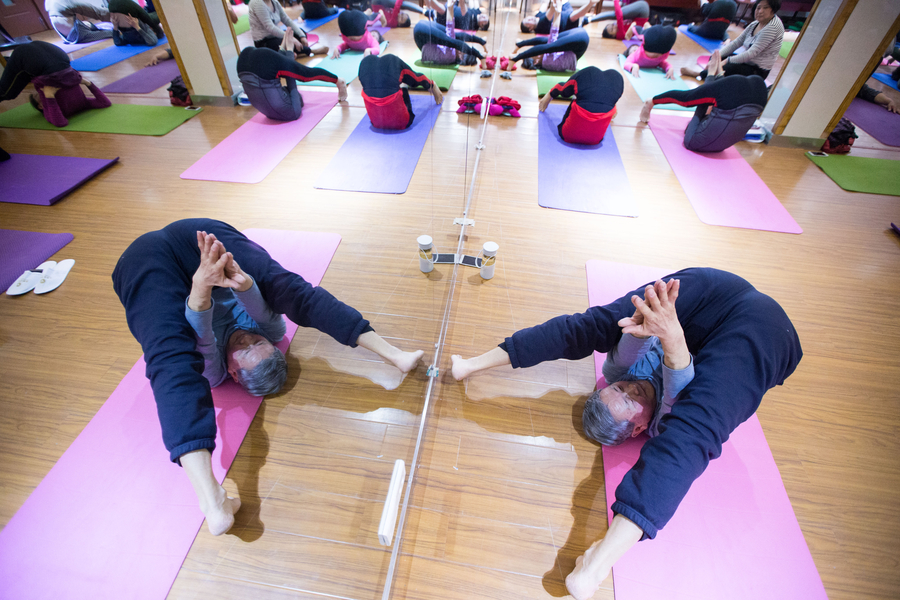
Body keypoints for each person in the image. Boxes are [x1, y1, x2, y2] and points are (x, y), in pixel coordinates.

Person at [449, 267, 802, 600]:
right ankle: (597, 563)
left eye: (619, 388)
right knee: (699, 423)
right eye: (631, 400)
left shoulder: (619, 373)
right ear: (639, 428)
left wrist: (638, 329)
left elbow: (611, 338)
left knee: (601, 324)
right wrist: (671, 337)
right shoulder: (663, 421)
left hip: (714, 292)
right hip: (766, 329)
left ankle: (471, 364)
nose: (631, 388)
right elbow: (683, 405)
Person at [112, 219, 426, 536]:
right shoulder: (272, 332)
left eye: (245, 349)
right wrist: (241, 279)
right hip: (200, 241)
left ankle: (211, 499)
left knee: (170, 357)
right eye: (258, 342)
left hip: (145, 262)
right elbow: (269, 301)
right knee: (286, 288)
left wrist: (202, 287)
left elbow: (197, 333)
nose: (247, 339)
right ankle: (395, 355)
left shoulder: (215, 373)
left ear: (234, 373)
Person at [640, 51, 768, 152]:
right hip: (724, 145)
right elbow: (723, 91)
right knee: (712, 98)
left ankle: (650, 102)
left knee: (702, 99)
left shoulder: (728, 88)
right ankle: (714, 77)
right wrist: (718, 74)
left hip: (698, 142)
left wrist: (711, 75)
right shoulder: (759, 85)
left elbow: (686, 99)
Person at [237, 33, 348, 122]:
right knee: (292, 76)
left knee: (282, 75)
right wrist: (289, 52)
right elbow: (306, 75)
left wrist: (284, 48)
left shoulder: (253, 57)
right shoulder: (292, 110)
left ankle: (286, 52)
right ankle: (340, 81)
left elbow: (276, 62)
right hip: (285, 111)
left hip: (265, 111)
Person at [0, 40, 111, 127]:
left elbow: (59, 122)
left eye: (37, 94)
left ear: (41, 106)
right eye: (37, 94)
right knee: (10, 92)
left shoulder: (49, 112)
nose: (37, 91)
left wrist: (49, 96)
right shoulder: (83, 104)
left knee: (6, 93)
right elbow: (105, 103)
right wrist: (88, 83)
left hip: (35, 60)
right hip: (60, 59)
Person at [681, 0, 783, 80]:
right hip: (748, 62)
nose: (760, 11)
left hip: (757, 70)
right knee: (716, 57)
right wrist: (718, 55)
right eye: (758, 7)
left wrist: (726, 61)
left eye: (765, 8)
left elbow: (751, 54)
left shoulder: (772, 27)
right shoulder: (755, 24)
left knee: (727, 67)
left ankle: (700, 74)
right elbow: (737, 43)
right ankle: (711, 74)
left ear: (773, 10)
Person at [538, 66, 623, 145]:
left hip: (567, 135)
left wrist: (550, 94)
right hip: (596, 139)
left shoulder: (587, 73)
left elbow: (564, 90)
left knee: (576, 95)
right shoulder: (618, 79)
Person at [358, 53, 443, 129]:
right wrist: (431, 85)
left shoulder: (364, 64)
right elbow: (417, 79)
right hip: (403, 123)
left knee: (372, 89)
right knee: (403, 84)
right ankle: (403, 84)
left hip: (376, 123)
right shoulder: (393, 61)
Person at [249, 0, 327, 57]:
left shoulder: (274, 2)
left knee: (300, 33)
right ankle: (311, 51)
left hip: (275, 36)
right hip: (264, 41)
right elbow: (270, 28)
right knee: (285, 43)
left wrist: (302, 35)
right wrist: (291, 39)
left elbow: (287, 20)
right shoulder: (257, 3)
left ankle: (290, 54)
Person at [506, 27, 589, 72]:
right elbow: (548, 47)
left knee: (548, 41)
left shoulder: (547, 59)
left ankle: (521, 44)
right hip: (580, 42)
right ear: (536, 62)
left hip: (579, 34)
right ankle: (516, 58)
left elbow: (552, 37)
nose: (539, 53)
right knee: (549, 47)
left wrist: (557, 13)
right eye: (535, 55)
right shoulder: (548, 62)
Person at [413, 20, 486, 65]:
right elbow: (457, 35)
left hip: (420, 35)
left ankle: (480, 48)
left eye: (463, 53)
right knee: (454, 37)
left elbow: (455, 43)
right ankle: (482, 41)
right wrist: (480, 41)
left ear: (461, 58)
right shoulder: (451, 53)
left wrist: (479, 56)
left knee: (450, 41)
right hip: (423, 27)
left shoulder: (449, 56)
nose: (461, 51)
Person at [45, 0, 112, 43]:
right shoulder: (63, 2)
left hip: (66, 37)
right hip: (79, 35)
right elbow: (97, 12)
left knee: (88, 24)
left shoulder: (48, 2)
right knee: (112, 33)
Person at [520, 0, 597, 34]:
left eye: (527, 18)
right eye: (528, 22)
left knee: (564, 2)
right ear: (530, 29)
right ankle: (591, 3)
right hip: (566, 22)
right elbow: (552, 9)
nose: (529, 19)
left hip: (564, 11)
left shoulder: (537, 16)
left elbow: (544, 4)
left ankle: (588, 16)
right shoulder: (540, 26)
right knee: (572, 16)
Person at [423, 0, 489, 31]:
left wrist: (462, 2)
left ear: (481, 25)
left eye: (484, 20)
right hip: (451, 7)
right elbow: (474, 3)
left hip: (446, 15)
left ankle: (427, 10)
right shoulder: (477, 12)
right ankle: (426, 11)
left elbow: (464, 12)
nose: (483, 16)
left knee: (442, 10)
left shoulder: (473, 24)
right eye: (485, 16)